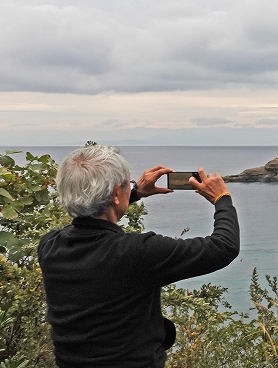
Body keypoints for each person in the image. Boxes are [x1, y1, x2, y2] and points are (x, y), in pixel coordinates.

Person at [38, 145, 239, 368]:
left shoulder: (50, 246)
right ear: (116, 194)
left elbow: (91, 218)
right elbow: (224, 247)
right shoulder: (137, 253)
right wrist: (222, 198)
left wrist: (133, 192)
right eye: (126, 184)